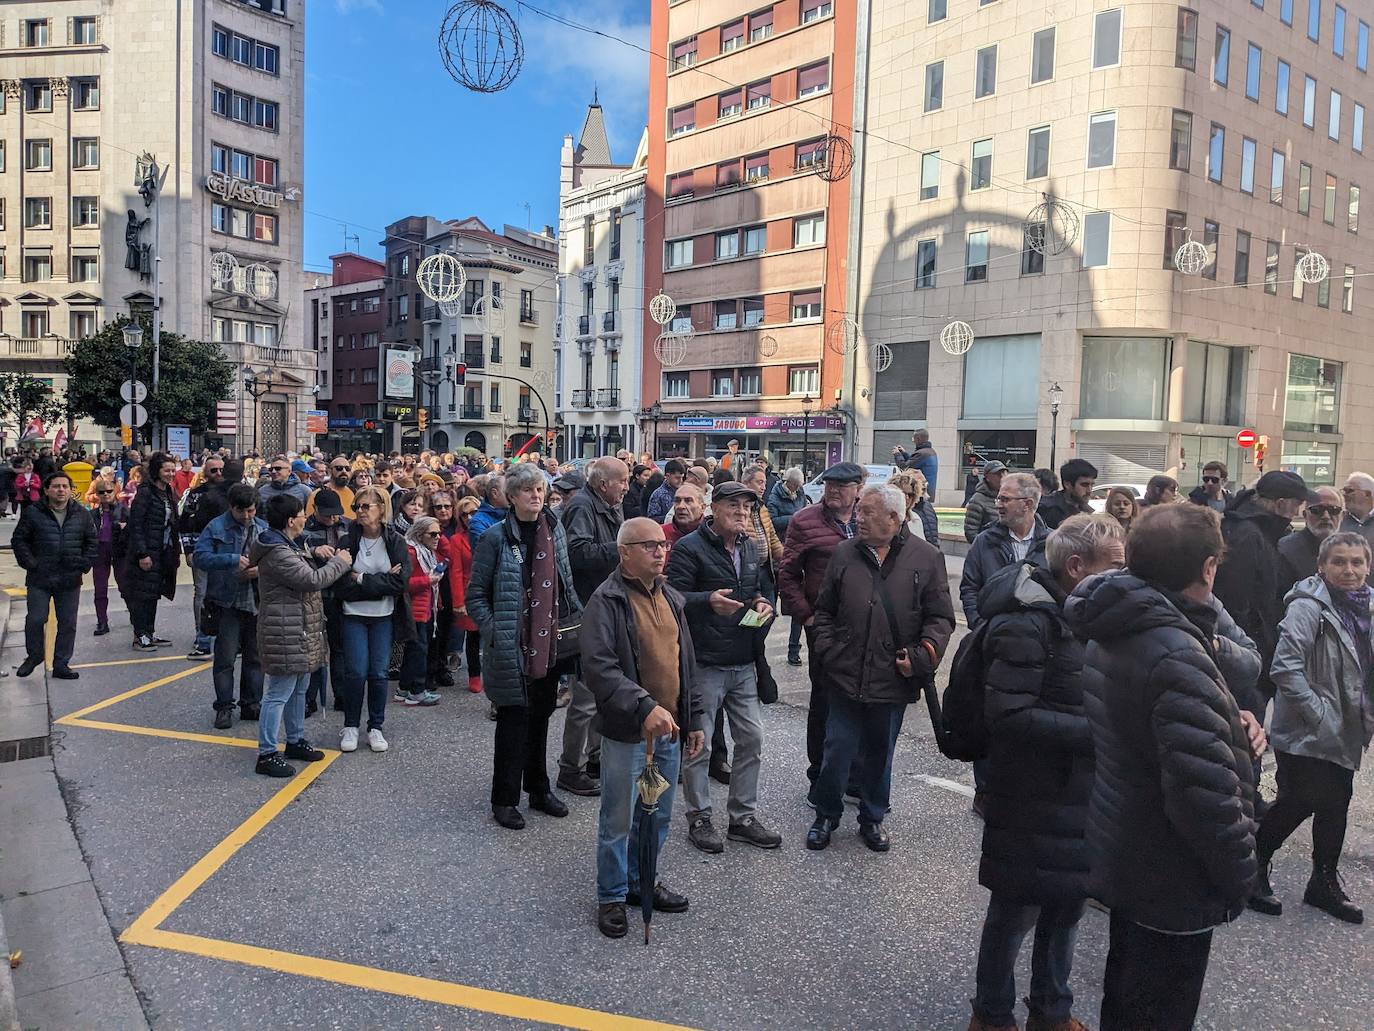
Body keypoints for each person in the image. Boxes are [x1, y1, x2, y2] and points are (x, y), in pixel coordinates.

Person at [1063, 504, 1265, 1031]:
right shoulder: (1173, 652)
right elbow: (1203, 797)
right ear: (1207, 569)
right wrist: (1242, 873)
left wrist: (1226, 719)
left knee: (1128, 996)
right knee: (1157, 1009)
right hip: (1172, 871)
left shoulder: (1127, 622)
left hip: (1131, 847)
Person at [965, 514, 1125, 1031]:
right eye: (1114, 567)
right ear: (1076, 567)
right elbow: (1009, 716)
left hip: (1081, 792)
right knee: (1015, 914)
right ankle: (991, 1015)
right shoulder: (1026, 620)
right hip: (1031, 793)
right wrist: (1098, 731)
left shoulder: (1092, 616)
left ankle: (1051, 1012)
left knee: (1067, 909)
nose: (1124, 577)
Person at [805, 485, 954, 852]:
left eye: (867, 512)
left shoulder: (926, 557)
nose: (859, 517)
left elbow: (941, 618)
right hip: (844, 675)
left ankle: (872, 818)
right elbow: (824, 610)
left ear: (894, 517)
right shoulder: (844, 553)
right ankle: (826, 814)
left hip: (892, 678)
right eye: (859, 510)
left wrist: (924, 653)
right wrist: (828, 649)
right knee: (836, 749)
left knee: (879, 753)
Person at [583, 517, 706, 939]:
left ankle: (642, 880)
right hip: (628, 731)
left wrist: (692, 719)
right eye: (649, 545)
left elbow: (684, 663)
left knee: (657, 817)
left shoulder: (671, 596)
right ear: (625, 553)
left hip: (669, 729)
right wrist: (644, 706)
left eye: (662, 544)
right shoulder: (607, 600)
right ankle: (612, 895)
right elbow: (600, 668)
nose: (660, 551)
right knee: (618, 819)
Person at [1249, 531, 1373, 924]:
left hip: (1348, 728)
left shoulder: (1368, 607)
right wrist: (1320, 714)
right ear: (1321, 566)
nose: (1349, 570)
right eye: (1339, 561)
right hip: (1307, 729)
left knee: (1336, 804)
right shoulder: (1309, 607)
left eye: (1357, 562)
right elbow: (1285, 666)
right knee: (1299, 801)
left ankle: (1322, 882)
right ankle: (1253, 863)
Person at [667, 480, 781, 853]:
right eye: (734, 507)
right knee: (698, 744)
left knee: (752, 738)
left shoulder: (749, 547)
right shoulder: (689, 548)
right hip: (705, 661)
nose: (742, 514)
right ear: (713, 508)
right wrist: (707, 601)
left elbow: (753, 589)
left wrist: (762, 602)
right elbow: (672, 598)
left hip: (743, 659)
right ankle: (699, 817)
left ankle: (742, 818)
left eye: (747, 509)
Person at [467, 462, 582, 830]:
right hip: (512, 644)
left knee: (542, 716)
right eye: (528, 490)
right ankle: (504, 799)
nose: (536, 495)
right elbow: (475, 597)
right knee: (513, 722)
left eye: (540, 489)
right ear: (512, 497)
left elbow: (565, 582)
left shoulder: (554, 528)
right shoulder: (496, 538)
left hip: (549, 642)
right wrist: (496, 632)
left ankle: (538, 789)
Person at [249, 492, 353, 777]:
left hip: (299, 627)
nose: (305, 518)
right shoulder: (277, 551)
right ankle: (267, 753)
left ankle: (294, 740)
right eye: (301, 514)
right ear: (291, 520)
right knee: (278, 693)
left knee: (298, 690)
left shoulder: (288, 544)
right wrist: (340, 562)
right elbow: (312, 580)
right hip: (284, 629)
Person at [778, 462, 862, 782]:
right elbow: (787, 574)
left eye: (841, 486)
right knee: (824, 698)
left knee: (859, 698)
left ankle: (853, 772)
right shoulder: (804, 520)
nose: (833, 491)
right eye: (829, 485)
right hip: (823, 626)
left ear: (858, 489)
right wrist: (808, 617)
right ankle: (820, 770)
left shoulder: (867, 519)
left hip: (863, 626)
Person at [1213, 469, 1316, 713]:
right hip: (1246, 659)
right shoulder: (1249, 535)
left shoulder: (1255, 529)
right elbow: (1238, 603)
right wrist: (1257, 652)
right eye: (1297, 504)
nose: (1298, 512)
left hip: (1251, 653)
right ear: (1280, 504)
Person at [557, 456, 629, 798]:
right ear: (604, 484)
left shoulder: (608, 505)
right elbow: (577, 554)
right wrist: (622, 549)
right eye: (623, 482)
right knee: (586, 695)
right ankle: (571, 767)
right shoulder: (583, 507)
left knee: (605, 689)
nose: (627, 488)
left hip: (609, 605)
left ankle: (595, 757)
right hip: (588, 609)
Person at [334, 486, 413, 754]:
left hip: (384, 616)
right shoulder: (347, 540)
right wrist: (380, 581)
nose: (360, 512)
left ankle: (376, 726)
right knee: (356, 672)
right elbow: (342, 584)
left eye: (366, 506)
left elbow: (400, 583)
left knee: (379, 673)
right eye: (357, 507)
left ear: (382, 509)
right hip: (353, 614)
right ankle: (351, 725)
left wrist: (362, 578)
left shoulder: (395, 541)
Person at [195, 483, 267, 729]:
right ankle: (224, 706)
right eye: (241, 511)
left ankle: (251, 703)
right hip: (226, 601)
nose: (246, 516)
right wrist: (231, 560)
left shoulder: (263, 528)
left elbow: (278, 557)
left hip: (256, 601)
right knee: (225, 658)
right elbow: (200, 557)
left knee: (255, 657)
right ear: (231, 507)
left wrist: (261, 570)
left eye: (251, 511)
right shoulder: (215, 527)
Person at [13, 472, 97, 680]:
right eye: (57, 486)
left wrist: (84, 564)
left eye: (65, 486)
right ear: (47, 490)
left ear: (71, 490)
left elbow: (92, 542)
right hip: (40, 578)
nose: (61, 490)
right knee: (36, 618)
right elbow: (19, 540)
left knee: (68, 622)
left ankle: (61, 664)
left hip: (69, 578)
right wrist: (31, 563)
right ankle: (34, 655)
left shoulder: (81, 514)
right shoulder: (34, 513)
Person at [961, 473, 1050, 628]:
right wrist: (981, 628)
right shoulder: (984, 541)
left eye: (1005, 499)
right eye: (998, 498)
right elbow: (969, 589)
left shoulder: (1052, 544)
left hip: (1040, 641)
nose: (998, 505)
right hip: (992, 640)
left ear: (1027, 504)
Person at [124, 452, 181, 650]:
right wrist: (142, 553)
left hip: (163, 551)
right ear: (157, 471)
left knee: (153, 593)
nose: (171, 474)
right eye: (167, 470)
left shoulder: (168, 492)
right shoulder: (146, 492)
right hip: (147, 551)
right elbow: (136, 524)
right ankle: (141, 635)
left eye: (173, 470)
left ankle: (150, 632)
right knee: (142, 595)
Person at [302, 487, 351, 715]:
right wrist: (312, 549)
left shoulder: (347, 525)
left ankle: (342, 696)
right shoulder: (303, 528)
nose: (332, 519)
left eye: (336, 514)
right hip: (315, 595)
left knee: (340, 648)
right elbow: (291, 549)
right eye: (327, 514)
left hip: (341, 594)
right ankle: (309, 699)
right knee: (315, 650)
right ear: (315, 510)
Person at [179, 455, 231, 658]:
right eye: (213, 470)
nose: (218, 474)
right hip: (202, 550)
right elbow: (185, 524)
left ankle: (224, 634)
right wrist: (189, 551)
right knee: (201, 592)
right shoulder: (195, 494)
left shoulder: (232, 493)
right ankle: (202, 635)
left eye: (221, 470)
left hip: (227, 551)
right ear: (205, 473)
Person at [397, 516, 444, 707]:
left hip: (426, 607)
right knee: (418, 650)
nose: (438, 537)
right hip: (415, 608)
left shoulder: (426, 551)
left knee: (413, 650)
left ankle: (404, 687)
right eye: (433, 534)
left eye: (439, 533)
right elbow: (404, 583)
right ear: (420, 534)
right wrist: (428, 581)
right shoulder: (411, 552)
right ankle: (417, 690)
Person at [1277, 487, 1344, 597]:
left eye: (1334, 510)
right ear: (1305, 515)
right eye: (1317, 510)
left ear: (1343, 516)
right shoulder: (1285, 550)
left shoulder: (1352, 550)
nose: (1326, 516)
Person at [89, 479, 130, 637]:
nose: (105, 494)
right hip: (100, 552)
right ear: (97, 495)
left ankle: (135, 615)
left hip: (119, 551)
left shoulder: (124, 510)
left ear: (115, 492)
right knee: (100, 588)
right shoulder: (92, 514)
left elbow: (134, 531)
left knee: (125, 586)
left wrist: (125, 528)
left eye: (108, 491)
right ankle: (102, 621)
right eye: (101, 492)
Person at [1036, 459, 1096, 530]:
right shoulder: (1047, 509)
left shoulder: (1085, 509)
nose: (1089, 490)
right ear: (1067, 484)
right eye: (1084, 485)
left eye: (1092, 485)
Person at [888, 468, 939, 546]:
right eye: (903, 493)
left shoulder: (917, 517)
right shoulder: (885, 518)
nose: (907, 498)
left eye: (910, 495)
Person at [963, 461, 1006, 542]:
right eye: (997, 474)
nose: (1002, 477)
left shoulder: (1010, 497)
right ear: (987, 477)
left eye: (1003, 473)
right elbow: (971, 533)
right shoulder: (977, 500)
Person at [765, 466, 806, 540]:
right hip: (783, 538)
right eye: (795, 485)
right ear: (788, 482)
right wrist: (793, 518)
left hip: (799, 536)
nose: (797, 488)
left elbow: (805, 510)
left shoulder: (800, 492)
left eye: (799, 486)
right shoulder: (775, 496)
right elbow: (772, 521)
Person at [893, 428, 938, 493]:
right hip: (927, 490)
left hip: (921, 492)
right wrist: (904, 454)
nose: (913, 440)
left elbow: (904, 467)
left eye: (913, 438)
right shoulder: (930, 451)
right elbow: (914, 463)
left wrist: (897, 454)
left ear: (918, 438)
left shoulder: (922, 453)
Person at [1338, 471, 1374, 552]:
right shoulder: (1338, 520)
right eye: (1344, 491)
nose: (1344, 495)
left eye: (1349, 491)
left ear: (1367, 494)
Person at [468, 473, 507, 546]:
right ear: (494, 493)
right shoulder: (478, 522)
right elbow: (484, 550)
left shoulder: (513, 513)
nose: (511, 495)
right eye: (506, 492)